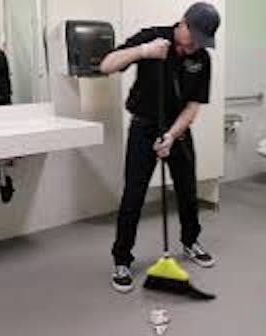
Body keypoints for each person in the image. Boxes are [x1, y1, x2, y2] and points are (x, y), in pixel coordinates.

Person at [101, 2, 221, 293]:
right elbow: (106, 65)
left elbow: (193, 106)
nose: (195, 46)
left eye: (202, 42)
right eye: (193, 38)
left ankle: (190, 241)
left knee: (187, 191)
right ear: (183, 24)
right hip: (144, 126)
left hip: (176, 130)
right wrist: (143, 52)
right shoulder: (153, 37)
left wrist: (171, 135)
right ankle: (122, 259)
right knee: (134, 194)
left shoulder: (201, 59)